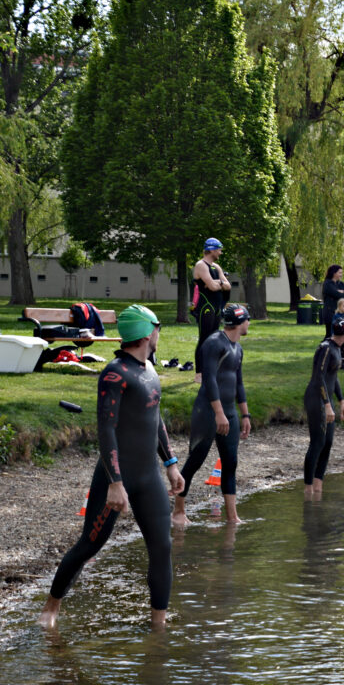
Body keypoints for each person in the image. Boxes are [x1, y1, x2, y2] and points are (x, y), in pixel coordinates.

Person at [40, 305, 184, 631]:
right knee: (90, 544)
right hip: (117, 476)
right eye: (158, 327)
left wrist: (171, 464)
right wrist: (115, 483)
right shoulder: (114, 374)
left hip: (149, 477)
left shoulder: (149, 369)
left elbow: (155, 419)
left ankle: (157, 628)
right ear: (148, 332)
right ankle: (51, 605)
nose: (160, 333)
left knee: (162, 548)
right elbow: (106, 430)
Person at [174, 304, 252, 527]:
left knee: (231, 463)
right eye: (247, 319)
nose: (249, 324)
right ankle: (178, 511)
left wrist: (245, 415)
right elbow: (209, 380)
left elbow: (239, 383)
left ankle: (232, 517)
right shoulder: (213, 343)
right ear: (239, 322)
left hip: (229, 412)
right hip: (208, 411)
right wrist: (218, 413)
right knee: (195, 461)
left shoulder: (237, 348)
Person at [303, 317, 344, 498]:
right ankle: (308, 489)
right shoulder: (325, 349)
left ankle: (318, 486)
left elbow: (333, 376)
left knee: (328, 443)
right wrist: (327, 405)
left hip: (327, 401)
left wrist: (341, 401)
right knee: (317, 443)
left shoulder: (338, 348)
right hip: (316, 400)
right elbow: (319, 378)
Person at [192, 237, 231, 384]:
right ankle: (199, 373)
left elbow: (227, 286)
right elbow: (213, 287)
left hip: (216, 307)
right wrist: (218, 284)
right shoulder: (201, 265)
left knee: (214, 340)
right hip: (205, 308)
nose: (220, 252)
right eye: (219, 250)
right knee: (204, 339)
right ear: (212, 250)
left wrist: (218, 282)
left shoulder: (216, 267)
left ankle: (211, 370)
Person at [321, 265, 344, 340]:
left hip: (339, 312)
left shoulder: (340, 284)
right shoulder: (327, 284)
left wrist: (342, 292)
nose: (341, 275)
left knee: (339, 334)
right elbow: (336, 294)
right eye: (340, 273)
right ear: (334, 273)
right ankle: (324, 348)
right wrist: (343, 292)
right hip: (330, 311)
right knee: (329, 334)